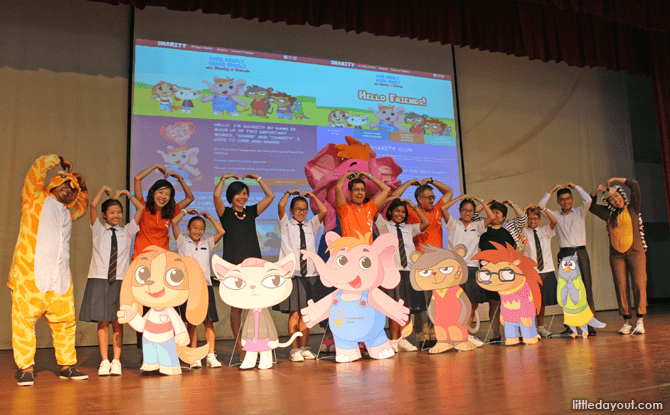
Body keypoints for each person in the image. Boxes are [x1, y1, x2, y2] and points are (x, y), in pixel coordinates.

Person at [9, 155, 89, 386]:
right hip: (30, 277)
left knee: (65, 323)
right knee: (23, 322)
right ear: (54, 184)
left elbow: (82, 208)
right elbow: (36, 169)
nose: (70, 190)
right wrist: (58, 159)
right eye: (66, 185)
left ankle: (67, 365)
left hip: (60, 279)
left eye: (72, 190)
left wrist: (82, 186)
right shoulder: (34, 198)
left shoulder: (67, 212)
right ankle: (26, 368)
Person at [80, 186, 143, 376]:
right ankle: (104, 361)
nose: (116, 215)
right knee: (102, 322)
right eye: (112, 212)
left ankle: (116, 360)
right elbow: (92, 205)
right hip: (99, 279)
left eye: (119, 212)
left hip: (120, 280)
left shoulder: (128, 230)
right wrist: (103, 190)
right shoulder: (98, 229)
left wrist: (128, 194)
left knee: (118, 322)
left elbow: (140, 209)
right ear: (104, 215)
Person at [133, 164, 194, 350]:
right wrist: (154, 167)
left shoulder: (172, 211)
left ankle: (167, 348)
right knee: (143, 310)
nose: (163, 197)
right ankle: (146, 350)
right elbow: (137, 179)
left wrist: (180, 179)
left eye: (167, 194)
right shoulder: (143, 207)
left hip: (162, 267)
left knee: (165, 309)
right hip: (142, 266)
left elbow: (190, 198)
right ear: (152, 193)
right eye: (160, 192)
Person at [214, 172, 275, 357]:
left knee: (257, 306)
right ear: (231, 196)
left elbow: (271, 196)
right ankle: (240, 345)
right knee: (237, 308)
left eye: (245, 193)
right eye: (238, 194)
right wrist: (223, 179)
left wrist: (258, 179)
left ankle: (257, 343)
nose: (242, 197)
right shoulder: (225, 213)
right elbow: (216, 196)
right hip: (234, 266)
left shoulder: (250, 212)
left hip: (253, 266)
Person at [391, 178, 453, 344]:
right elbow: (394, 197)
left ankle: (435, 330)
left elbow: (449, 192)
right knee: (422, 299)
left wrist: (432, 181)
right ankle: (422, 333)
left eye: (433, 197)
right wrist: (408, 183)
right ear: (419, 199)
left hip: (438, 262)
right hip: (420, 262)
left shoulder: (438, 209)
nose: (432, 200)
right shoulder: (412, 212)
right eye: (429, 197)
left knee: (438, 298)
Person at [589, 178, 648, 335]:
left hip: (636, 252)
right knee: (621, 286)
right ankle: (627, 321)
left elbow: (634, 185)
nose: (615, 200)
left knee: (639, 283)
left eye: (616, 196)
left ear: (622, 195)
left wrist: (615, 180)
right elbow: (591, 206)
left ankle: (640, 320)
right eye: (611, 199)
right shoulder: (608, 214)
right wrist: (596, 191)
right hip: (617, 256)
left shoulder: (633, 208)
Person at [274, 190, 327, 361]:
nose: (301, 212)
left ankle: (304, 347)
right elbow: (280, 205)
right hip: (293, 274)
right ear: (291, 210)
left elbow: (323, 211)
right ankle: (294, 349)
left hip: (310, 274)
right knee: (294, 313)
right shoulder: (286, 224)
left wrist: (313, 197)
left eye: (304, 209)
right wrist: (288, 193)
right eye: (298, 209)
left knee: (306, 313)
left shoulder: (311, 224)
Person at [539, 183, 597, 336]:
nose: (565, 201)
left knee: (586, 289)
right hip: (565, 254)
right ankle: (570, 326)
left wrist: (577, 186)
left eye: (568, 198)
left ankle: (590, 325)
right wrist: (551, 191)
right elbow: (540, 206)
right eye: (562, 199)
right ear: (558, 202)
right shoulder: (556, 215)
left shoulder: (580, 212)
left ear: (572, 199)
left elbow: (589, 201)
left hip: (581, 252)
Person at [375, 197, 430, 352]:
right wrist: (387, 200)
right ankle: (394, 340)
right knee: (394, 307)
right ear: (390, 212)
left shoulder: (409, 228)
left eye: (403, 212)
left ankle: (403, 339)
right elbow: (374, 210)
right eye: (397, 211)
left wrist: (413, 206)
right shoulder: (384, 225)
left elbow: (426, 222)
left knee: (406, 307)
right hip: (392, 271)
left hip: (408, 270)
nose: (400, 214)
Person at [173, 209, 225, 368]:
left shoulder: (207, 243)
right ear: (188, 228)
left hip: (205, 287)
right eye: (194, 227)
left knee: (208, 322)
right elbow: (174, 222)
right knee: (191, 323)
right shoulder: (182, 241)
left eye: (201, 228)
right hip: (189, 288)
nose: (198, 231)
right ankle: (194, 356)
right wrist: (184, 211)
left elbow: (221, 231)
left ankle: (210, 355)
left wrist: (209, 216)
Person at [441, 195, 493, 346]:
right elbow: (443, 208)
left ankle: (465, 334)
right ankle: (454, 334)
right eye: (464, 210)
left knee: (472, 303)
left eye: (470, 211)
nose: (467, 213)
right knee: (455, 304)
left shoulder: (477, 225)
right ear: (460, 210)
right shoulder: (453, 224)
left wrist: (482, 200)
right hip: (455, 268)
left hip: (471, 267)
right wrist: (460, 198)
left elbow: (490, 216)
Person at [478, 199, 529, 342]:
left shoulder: (510, 228)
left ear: (504, 217)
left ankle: (515, 332)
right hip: (489, 272)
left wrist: (511, 203)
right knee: (493, 303)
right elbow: (474, 214)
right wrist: (485, 203)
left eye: (497, 213)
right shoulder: (483, 227)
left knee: (511, 302)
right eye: (492, 212)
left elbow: (523, 217)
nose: (494, 215)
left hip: (507, 272)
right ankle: (496, 334)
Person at [522, 205, 558, 338]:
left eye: (535, 218)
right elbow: (518, 223)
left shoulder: (545, 230)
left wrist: (543, 209)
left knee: (542, 301)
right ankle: (529, 328)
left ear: (539, 219)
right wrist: (524, 211)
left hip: (546, 269)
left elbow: (554, 221)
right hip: (530, 271)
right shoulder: (524, 232)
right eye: (530, 218)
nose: (532, 221)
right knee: (530, 301)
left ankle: (541, 327)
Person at [335, 171, 391, 243]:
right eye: (356, 190)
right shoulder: (344, 208)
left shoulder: (370, 207)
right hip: (350, 252)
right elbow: (338, 188)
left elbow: (386, 189)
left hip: (367, 253)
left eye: (362, 190)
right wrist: (345, 175)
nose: (360, 193)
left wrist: (369, 175)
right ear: (349, 192)